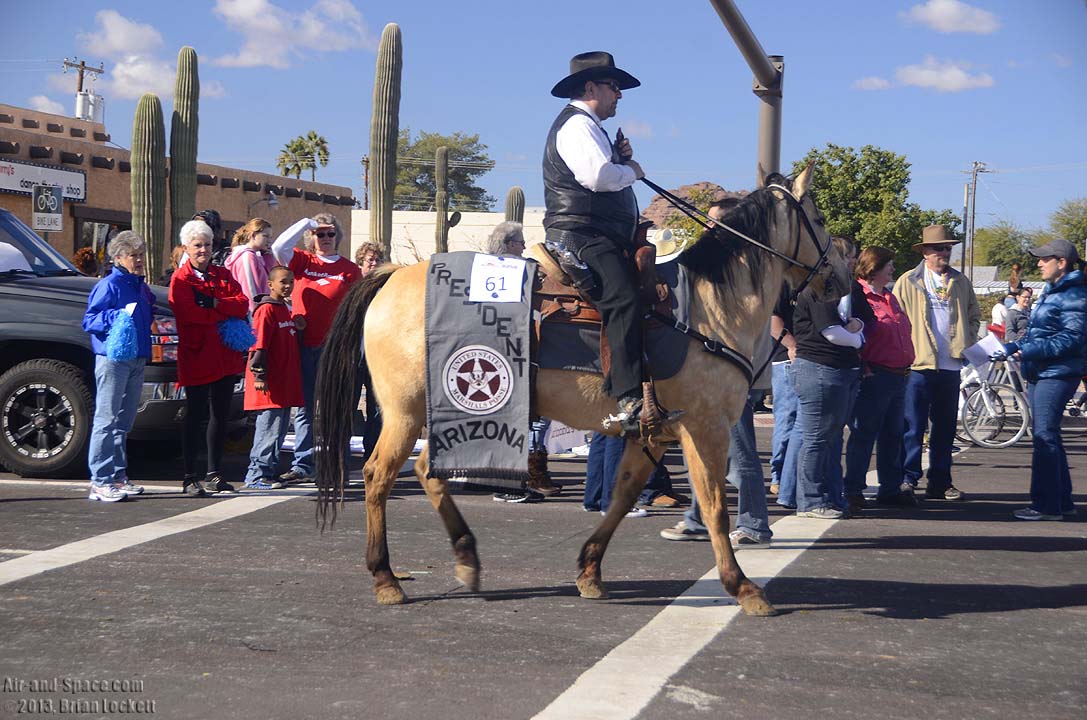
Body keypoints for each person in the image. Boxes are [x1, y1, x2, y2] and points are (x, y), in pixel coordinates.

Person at [542, 51, 680, 433]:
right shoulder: (576, 126)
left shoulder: (591, 129)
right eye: (614, 86)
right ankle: (628, 396)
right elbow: (598, 178)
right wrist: (630, 169)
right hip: (580, 234)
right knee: (622, 297)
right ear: (591, 87)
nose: (619, 94)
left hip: (594, 232)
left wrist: (619, 160)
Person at [999, 239, 1086, 520]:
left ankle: (1046, 505)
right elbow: (1043, 332)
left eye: (1044, 259)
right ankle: (1061, 501)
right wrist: (1017, 344)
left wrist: (1025, 348)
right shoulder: (1054, 291)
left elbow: (1071, 339)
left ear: (1061, 262)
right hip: (1044, 371)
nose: (1039, 263)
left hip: (1056, 373)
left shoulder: (1073, 294)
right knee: (1049, 436)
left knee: (1044, 436)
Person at [271, 213, 361, 483]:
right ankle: (303, 465)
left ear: (338, 237)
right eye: (319, 234)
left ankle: (338, 465)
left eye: (329, 234)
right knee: (305, 409)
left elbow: (358, 309)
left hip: (335, 349)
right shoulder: (303, 261)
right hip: (302, 345)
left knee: (336, 408)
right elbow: (278, 248)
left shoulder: (349, 269)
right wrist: (306, 223)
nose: (324, 239)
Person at [892, 225, 980, 501]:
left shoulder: (960, 281)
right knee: (913, 427)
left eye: (948, 248)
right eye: (939, 248)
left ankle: (940, 482)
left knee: (944, 429)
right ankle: (908, 479)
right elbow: (896, 321)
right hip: (918, 365)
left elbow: (973, 315)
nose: (945, 253)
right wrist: (905, 353)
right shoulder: (909, 280)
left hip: (951, 366)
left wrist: (967, 340)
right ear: (925, 252)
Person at [169, 219, 250, 497]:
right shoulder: (181, 279)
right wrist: (222, 313)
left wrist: (215, 304)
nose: (204, 250)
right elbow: (189, 315)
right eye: (198, 245)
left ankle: (215, 473)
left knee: (220, 415)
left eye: (207, 244)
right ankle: (190, 476)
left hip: (224, 356)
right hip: (197, 356)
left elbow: (242, 305)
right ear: (186, 249)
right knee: (195, 415)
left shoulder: (222, 274)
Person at [791, 237, 866, 519]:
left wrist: (856, 328)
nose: (853, 262)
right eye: (849, 257)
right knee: (816, 439)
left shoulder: (843, 289)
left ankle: (825, 497)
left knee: (830, 438)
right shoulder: (819, 287)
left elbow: (861, 320)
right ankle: (810, 501)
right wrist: (858, 338)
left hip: (841, 370)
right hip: (819, 369)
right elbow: (832, 331)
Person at [81, 231, 154, 502]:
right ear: (119, 258)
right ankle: (100, 481)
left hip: (136, 357)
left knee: (123, 421)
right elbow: (90, 320)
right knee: (106, 419)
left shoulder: (140, 286)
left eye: (141, 255)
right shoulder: (109, 285)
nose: (139, 260)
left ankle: (118, 476)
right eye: (133, 255)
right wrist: (118, 316)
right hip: (113, 359)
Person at [843, 246, 918, 507]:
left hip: (899, 376)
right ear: (874, 268)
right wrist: (862, 364)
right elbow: (854, 334)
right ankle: (852, 488)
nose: (893, 269)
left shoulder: (889, 297)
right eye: (889, 265)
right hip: (875, 375)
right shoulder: (858, 296)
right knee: (864, 433)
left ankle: (890, 488)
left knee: (893, 434)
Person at [243, 266, 304, 490]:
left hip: (284, 382)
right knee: (268, 428)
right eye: (283, 282)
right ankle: (256, 475)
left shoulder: (284, 308)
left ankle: (269, 472)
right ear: (270, 285)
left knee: (278, 429)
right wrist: (259, 374)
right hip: (271, 383)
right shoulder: (266, 310)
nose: (287, 286)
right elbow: (259, 345)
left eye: (290, 281)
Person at [225, 217, 278, 313]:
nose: (270, 240)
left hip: (264, 308)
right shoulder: (247, 256)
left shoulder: (258, 256)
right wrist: (255, 313)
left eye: (270, 237)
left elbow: (271, 278)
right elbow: (249, 288)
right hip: (253, 312)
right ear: (253, 235)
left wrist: (269, 256)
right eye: (265, 236)